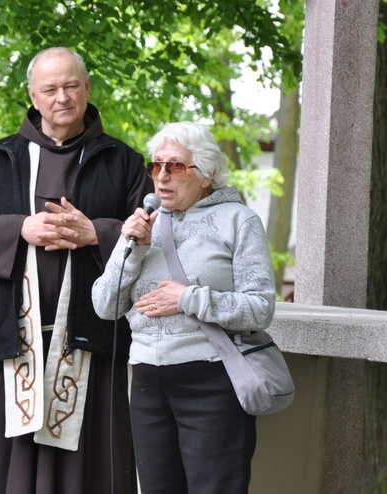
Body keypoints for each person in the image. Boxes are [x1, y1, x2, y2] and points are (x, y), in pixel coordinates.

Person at [0, 47, 152, 494]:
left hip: (93, 346)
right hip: (16, 345)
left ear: (88, 88)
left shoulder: (124, 162)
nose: (62, 98)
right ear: (32, 97)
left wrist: (97, 232)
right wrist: (21, 228)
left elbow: (159, 236)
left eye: (72, 86)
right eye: (50, 89)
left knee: (89, 475)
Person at [91, 121, 276, 494]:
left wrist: (187, 298)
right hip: (147, 381)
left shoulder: (239, 221)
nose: (161, 176)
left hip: (211, 381)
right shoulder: (144, 226)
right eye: (155, 165)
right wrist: (132, 250)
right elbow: (105, 306)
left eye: (174, 166)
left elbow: (260, 308)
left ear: (206, 174)